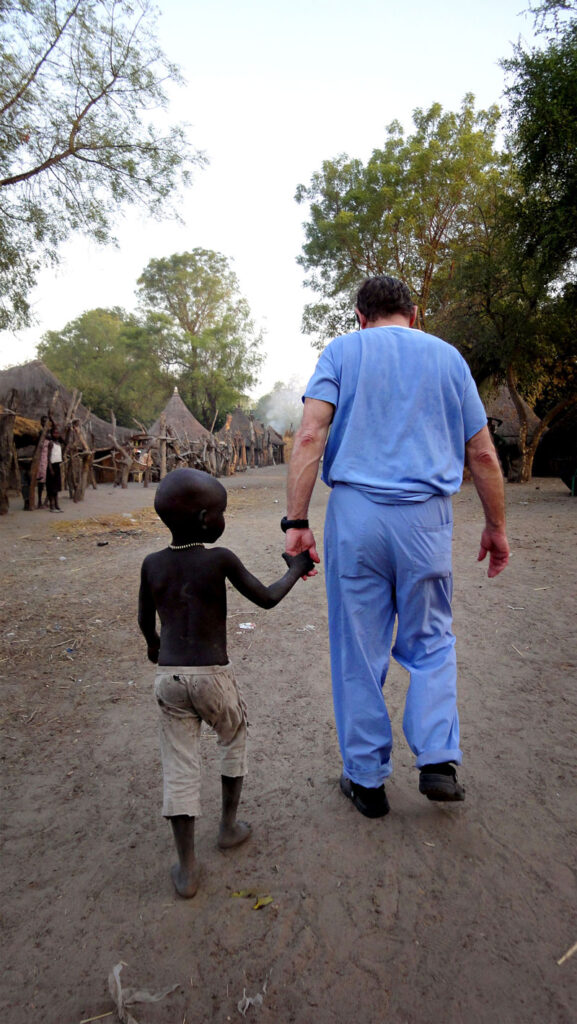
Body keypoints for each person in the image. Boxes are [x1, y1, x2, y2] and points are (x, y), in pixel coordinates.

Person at [284, 275, 509, 819]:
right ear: (414, 312)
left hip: (356, 517)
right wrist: (495, 526)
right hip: (426, 522)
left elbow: (311, 436)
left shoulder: (340, 351)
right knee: (431, 639)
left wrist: (296, 521)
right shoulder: (449, 359)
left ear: (359, 316)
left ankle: (366, 781)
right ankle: (437, 760)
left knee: (358, 649)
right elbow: (480, 454)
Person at [138, 468, 314, 897]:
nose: (223, 519)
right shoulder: (219, 558)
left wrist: (153, 645)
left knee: (179, 766)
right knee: (232, 737)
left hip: (169, 678)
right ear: (204, 520)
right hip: (212, 676)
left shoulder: (152, 564)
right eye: (221, 512)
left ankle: (186, 868)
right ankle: (229, 826)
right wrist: (296, 567)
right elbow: (267, 598)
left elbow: (145, 619)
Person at [46, 425, 64, 511]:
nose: (57, 434)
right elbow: (48, 457)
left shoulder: (59, 443)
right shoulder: (51, 443)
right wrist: (50, 469)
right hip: (51, 466)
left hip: (57, 466)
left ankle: (57, 504)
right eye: (55, 433)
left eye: (58, 433)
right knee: (51, 487)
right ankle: (52, 505)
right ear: (52, 434)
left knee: (56, 487)